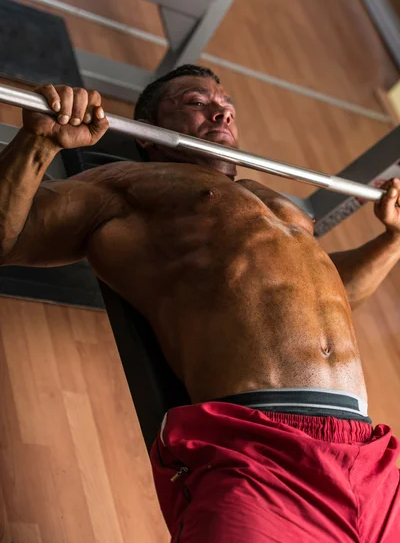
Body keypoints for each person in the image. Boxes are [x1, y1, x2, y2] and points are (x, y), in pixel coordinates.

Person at [0, 64, 399, 542]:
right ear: (148, 132)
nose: (220, 111)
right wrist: (39, 144)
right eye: (196, 102)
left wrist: (393, 240)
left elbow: (334, 294)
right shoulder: (124, 185)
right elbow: (8, 239)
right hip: (255, 452)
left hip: (369, 454)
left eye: (226, 105)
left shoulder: (279, 203)